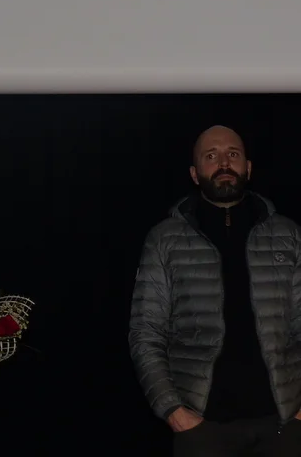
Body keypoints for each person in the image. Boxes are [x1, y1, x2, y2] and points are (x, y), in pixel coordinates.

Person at [128, 125, 301, 456]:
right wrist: (174, 412)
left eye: (232, 154)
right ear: (195, 174)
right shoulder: (164, 239)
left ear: (248, 167)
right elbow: (145, 333)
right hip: (201, 430)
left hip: (285, 428)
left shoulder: (289, 235)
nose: (223, 163)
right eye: (211, 156)